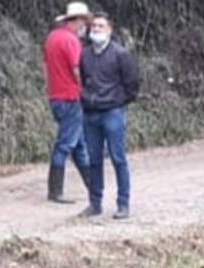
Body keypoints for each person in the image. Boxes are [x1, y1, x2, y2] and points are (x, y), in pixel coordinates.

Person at [79, 12, 139, 219]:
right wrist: (86, 100)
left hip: (112, 112)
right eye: (94, 26)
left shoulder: (120, 54)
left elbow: (132, 83)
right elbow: (83, 80)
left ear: (110, 30)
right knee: (94, 160)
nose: (96, 29)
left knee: (118, 158)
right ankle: (94, 203)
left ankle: (123, 204)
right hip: (90, 113)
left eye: (101, 26)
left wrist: (119, 102)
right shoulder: (85, 54)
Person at [43, 2, 93, 203]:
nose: (85, 26)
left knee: (78, 144)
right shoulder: (72, 40)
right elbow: (76, 69)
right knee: (65, 145)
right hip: (71, 97)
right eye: (84, 22)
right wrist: (87, 90)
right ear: (78, 20)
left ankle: (93, 186)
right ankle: (55, 191)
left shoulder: (52, 37)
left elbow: (46, 67)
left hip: (56, 96)